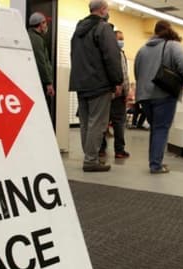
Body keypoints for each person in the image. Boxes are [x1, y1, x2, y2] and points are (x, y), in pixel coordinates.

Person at [69, 0, 123, 172]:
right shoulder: (103, 28)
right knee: (97, 123)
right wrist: (117, 81)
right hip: (99, 83)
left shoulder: (78, 31)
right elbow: (111, 57)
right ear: (102, 10)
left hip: (81, 83)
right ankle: (91, 160)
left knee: (85, 122)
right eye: (107, 9)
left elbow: (74, 56)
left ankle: (88, 156)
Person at [134, 20, 183, 174]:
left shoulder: (142, 49)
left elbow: (137, 72)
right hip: (164, 93)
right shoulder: (173, 45)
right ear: (169, 30)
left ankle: (154, 162)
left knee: (155, 128)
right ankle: (156, 165)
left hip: (144, 96)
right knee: (161, 129)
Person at [100, 30, 130, 159]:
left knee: (104, 122)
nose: (121, 41)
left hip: (109, 93)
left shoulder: (105, 53)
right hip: (116, 93)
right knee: (118, 123)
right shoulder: (118, 54)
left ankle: (101, 149)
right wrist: (124, 90)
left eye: (122, 39)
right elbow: (123, 74)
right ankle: (119, 150)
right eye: (119, 38)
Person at [28, 12, 55, 124]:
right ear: (40, 24)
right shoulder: (37, 40)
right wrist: (48, 83)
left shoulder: (29, 36)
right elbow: (41, 62)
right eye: (44, 23)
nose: (46, 26)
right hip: (39, 82)